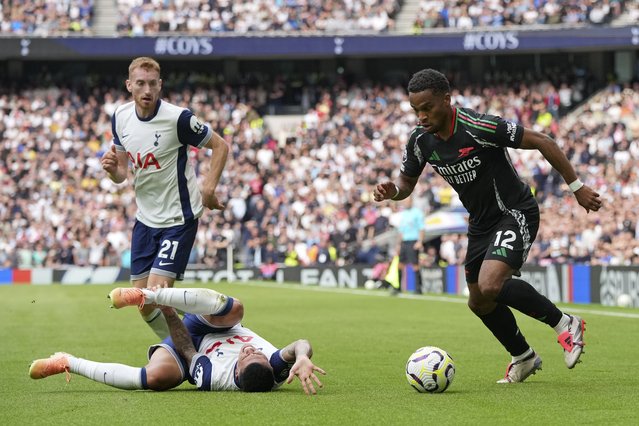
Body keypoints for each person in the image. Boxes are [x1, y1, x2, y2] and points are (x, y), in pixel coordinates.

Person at [373, 69, 603, 383]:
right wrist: (393, 192)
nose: (422, 116)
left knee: (492, 284)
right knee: (479, 300)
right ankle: (523, 357)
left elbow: (542, 140)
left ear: (447, 100)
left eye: (427, 108)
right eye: (416, 110)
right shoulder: (420, 140)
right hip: (480, 225)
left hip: (514, 211)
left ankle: (565, 323)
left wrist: (576, 187)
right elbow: (406, 182)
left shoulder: (478, 126)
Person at [100, 57, 229, 339]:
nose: (146, 90)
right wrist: (112, 170)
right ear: (129, 85)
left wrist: (208, 189)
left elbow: (220, 145)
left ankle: (188, 354)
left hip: (178, 217)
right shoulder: (120, 116)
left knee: (157, 294)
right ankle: (196, 339)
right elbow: (123, 172)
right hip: (146, 219)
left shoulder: (178, 118)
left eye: (152, 84)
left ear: (160, 85)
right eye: (140, 83)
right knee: (144, 303)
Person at [29, 286, 326, 395]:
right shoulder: (272, 368)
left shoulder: (213, 377)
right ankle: (147, 295)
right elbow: (301, 342)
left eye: (247, 355)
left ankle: (68, 361)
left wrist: (170, 313)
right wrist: (301, 356)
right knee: (237, 308)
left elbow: (186, 348)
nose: (250, 348)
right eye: (257, 352)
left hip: (194, 342)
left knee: (156, 378)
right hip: (217, 322)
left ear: (236, 372)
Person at [395, 197, 426, 294]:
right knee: (400, 265)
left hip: (413, 241)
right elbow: (401, 231)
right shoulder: (404, 214)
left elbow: (421, 228)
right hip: (404, 242)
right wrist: (399, 244)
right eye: (404, 202)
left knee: (415, 265)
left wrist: (420, 241)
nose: (405, 203)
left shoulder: (417, 213)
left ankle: (418, 288)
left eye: (407, 201)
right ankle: (398, 287)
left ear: (411, 202)